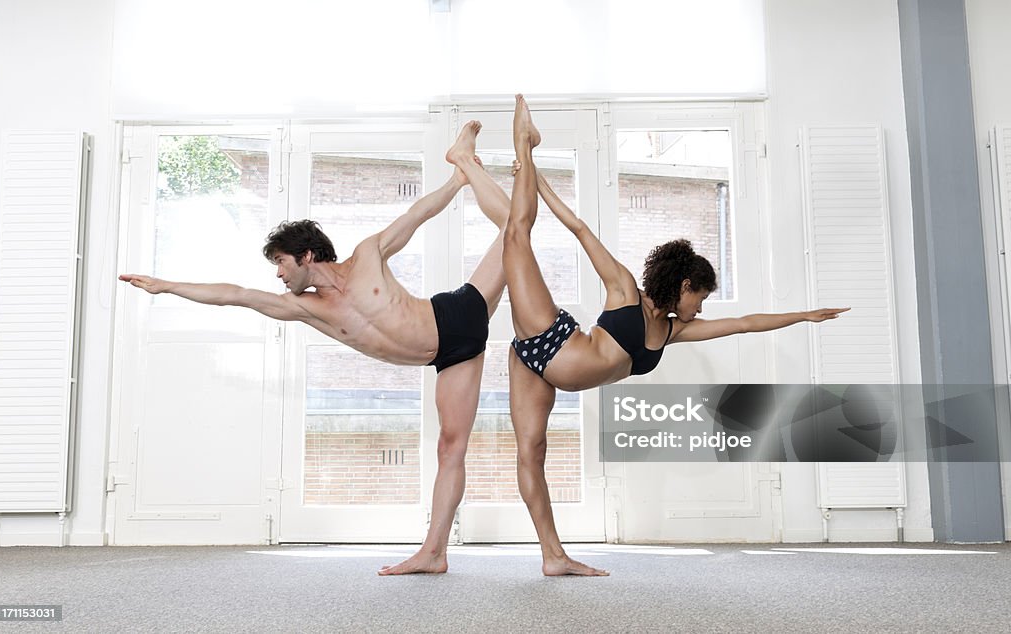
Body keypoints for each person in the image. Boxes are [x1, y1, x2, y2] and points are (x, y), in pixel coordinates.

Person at [121, 122, 512, 575]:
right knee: (450, 447)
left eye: (282, 263)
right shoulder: (307, 309)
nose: (279, 275)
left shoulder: (368, 256)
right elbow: (236, 294)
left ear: (306, 255)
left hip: (457, 314)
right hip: (451, 358)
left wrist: (455, 183)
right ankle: (435, 552)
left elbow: (419, 214)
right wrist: (166, 286)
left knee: (515, 228)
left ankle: (465, 162)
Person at [503, 95, 848, 576]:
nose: (702, 308)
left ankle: (553, 556)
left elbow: (745, 324)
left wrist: (804, 315)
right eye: (700, 297)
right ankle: (525, 145)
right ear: (684, 285)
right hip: (550, 340)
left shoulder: (672, 330)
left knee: (533, 452)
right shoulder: (624, 289)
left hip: (545, 371)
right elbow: (580, 230)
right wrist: (537, 179)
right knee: (517, 235)